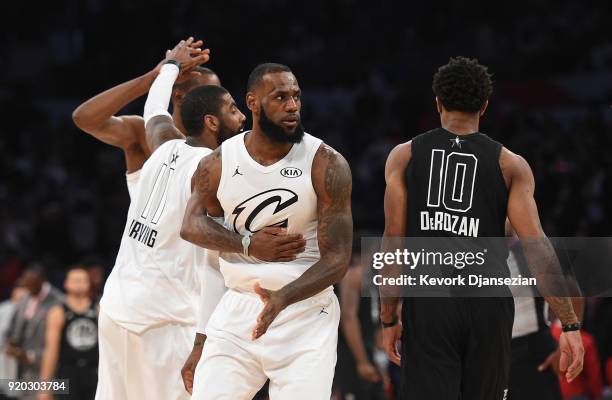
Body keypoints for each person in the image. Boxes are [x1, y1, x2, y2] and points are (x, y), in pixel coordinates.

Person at [95, 41, 302, 400]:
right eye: (234, 110)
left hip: (116, 308)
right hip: (162, 322)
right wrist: (201, 341)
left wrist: (171, 65)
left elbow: (154, 107)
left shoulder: (162, 146)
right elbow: (205, 254)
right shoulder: (210, 173)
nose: (242, 119)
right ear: (211, 121)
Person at [380, 56, 584, 399]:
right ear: (485, 106)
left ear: (438, 102)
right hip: (488, 306)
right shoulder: (510, 164)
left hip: (430, 304)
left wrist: (388, 318)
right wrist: (571, 325)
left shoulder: (405, 156)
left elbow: (393, 244)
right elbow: (537, 246)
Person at [180, 62, 353, 399]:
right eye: (280, 97)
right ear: (253, 102)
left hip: (305, 310)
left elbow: (339, 259)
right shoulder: (216, 163)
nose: (292, 106)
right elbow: (190, 226)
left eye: (296, 97)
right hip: (239, 307)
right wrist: (248, 245)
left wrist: (283, 297)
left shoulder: (326, 163)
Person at [72, 38, 221, 197]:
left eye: (217, 96)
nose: (215, 103)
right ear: (179, 97)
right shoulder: (142, 133)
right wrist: (156, 76)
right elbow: (84, 118)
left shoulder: (221, 147)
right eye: (207, 95)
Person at [38, 265, 99, 400]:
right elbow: (51, 350)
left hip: (94, 372)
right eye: (75, 280)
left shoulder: (98, 310)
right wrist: (44, 388)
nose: (79, 283)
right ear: (66, 283)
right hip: (68, 371)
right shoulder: (58, 312)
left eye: (83, 280)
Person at [334, 249, 386, 400]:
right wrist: (362, 361)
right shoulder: (354, 275)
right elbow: (348, 318)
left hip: (371, 355)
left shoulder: (375, 278)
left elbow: (378, 317)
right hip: (351, 356)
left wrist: (378, 358)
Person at [6, 264, 63, 400]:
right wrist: (11, 343)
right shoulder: (25, 297)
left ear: (41, 280)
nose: (27, 287)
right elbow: (14, 327)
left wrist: (30, 356)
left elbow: (57, 344)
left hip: (49, 370)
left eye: (31, 284)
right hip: (23, 370)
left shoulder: (58, 301)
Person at [0, 284, 28, 399]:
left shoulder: (30, 310)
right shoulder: (3, 308)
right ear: (13, 294)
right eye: (19, 295)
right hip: (4, 353)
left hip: (22, 355)